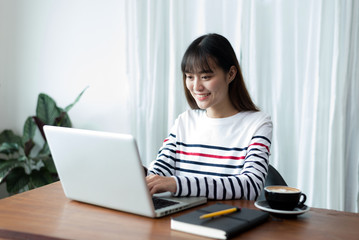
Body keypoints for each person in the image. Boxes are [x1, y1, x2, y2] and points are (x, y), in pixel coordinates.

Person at [146, 33, 272, 200]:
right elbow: (160, 172)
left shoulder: (258, 123)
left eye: (206, 77)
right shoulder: (185, 121)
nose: (196, 86)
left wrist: (177, 184)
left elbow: (251, 185)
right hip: (181, 218)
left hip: (228, 220)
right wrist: (141, 176)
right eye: (190, 77)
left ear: (231, 74)